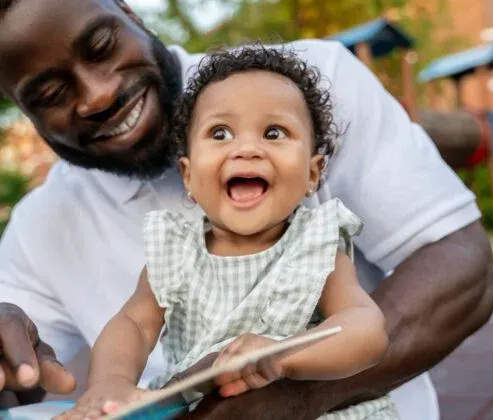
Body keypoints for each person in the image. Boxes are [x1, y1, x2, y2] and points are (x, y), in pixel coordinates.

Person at [0, 0, 493, 418]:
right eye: (49, 94)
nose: (98, 94)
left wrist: (283, 387)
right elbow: (122, 331)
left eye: (102, 45)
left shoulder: (305, 95)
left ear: (133, 17)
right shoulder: (50, 229)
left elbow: (457, 267)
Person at [56, 46, 399, 420]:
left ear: (312, 174)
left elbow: (366, 329)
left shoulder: (315, 246)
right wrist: (111, 383)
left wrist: (285, 355)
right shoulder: (175, 252)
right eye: (220, 133)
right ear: (188, 176)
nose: (247, 149)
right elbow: (133, 325)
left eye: (274, 132)